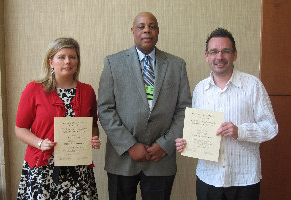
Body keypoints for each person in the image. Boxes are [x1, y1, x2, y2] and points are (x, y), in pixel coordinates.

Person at [175, 28, 278, 200]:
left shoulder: (253, 85)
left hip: (244, 180)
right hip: (208, 178)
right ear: (206, 55)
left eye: (225, 51)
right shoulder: (200, 89)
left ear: (235, 55)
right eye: (214, 52)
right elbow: (196, 130)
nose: (219, 57)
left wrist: (241, 131)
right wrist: (186, 143)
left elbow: (271, 127)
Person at [98, 12, 192, 200]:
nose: (147, 30)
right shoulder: (113, 63)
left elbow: (184, 111)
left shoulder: (176, 65)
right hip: (122, 158)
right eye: (141, 26)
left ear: (158, 31)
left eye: (152, 26)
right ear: (133, 31)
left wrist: (165, 145)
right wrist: (129, 145)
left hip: (161, 158)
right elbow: (105, 108)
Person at [15, 38, 101, 200]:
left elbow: (92, 125)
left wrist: (94, 138)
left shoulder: (87, 91)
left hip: (78, 169)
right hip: (43, 169)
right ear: (51, 62)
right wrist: (40, 143)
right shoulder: (34, 89)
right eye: (61, 57)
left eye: (73, 57)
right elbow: (20, 129)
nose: (68, 61)